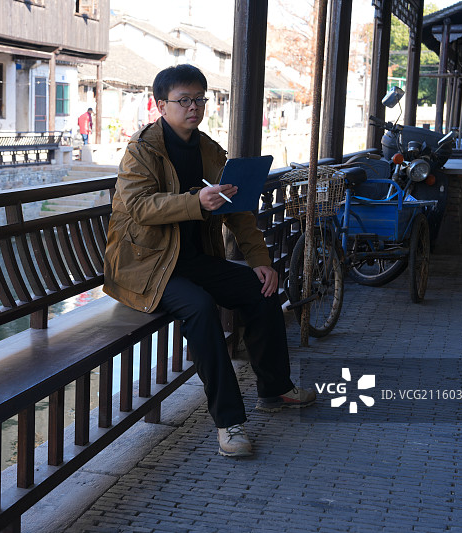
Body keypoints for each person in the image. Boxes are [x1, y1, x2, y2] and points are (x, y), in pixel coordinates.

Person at [103, 64, 316, 458]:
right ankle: (228, 421)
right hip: (147, 267)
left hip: (192, 260)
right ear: (161, 105)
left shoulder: (208, 149)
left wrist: (259, 260)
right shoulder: (141, 151)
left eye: (200, 99)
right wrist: (195, 201)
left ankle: (274, 389)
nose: (194, 107)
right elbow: (137, 207)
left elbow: (237, 211)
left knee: (261, 287)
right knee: (200, 308)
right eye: (183, 100)